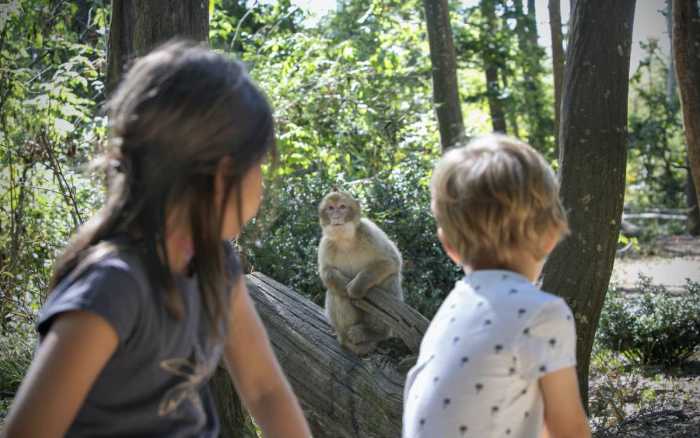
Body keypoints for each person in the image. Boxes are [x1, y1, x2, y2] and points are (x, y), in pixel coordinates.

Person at [3, 40, 311, 438]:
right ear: (221, 176)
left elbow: (265, 389)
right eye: (260, 167)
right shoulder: (113, 287)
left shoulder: (215, 265)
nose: (263, 185)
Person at [403, 134, 591, 438]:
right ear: (551, 234)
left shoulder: (454, 309)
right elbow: (569, 431)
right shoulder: (542, 313)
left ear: (448, 245)